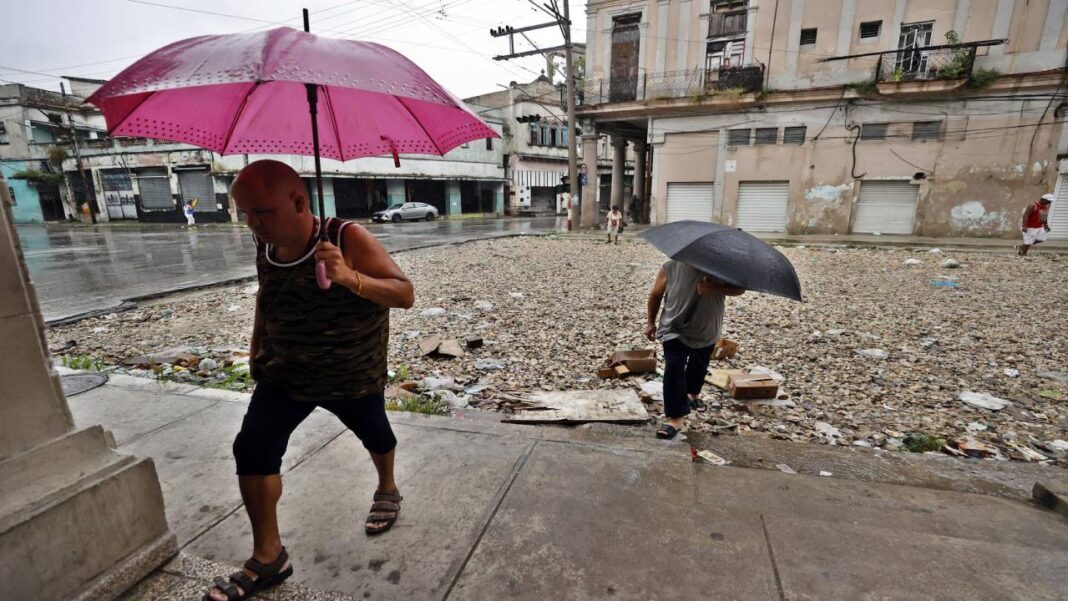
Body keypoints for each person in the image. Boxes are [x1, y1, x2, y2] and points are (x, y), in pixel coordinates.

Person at [204, 160, 414, 601]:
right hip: (286, 373)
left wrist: (348, 276)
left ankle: (387, 487)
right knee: (252, 448)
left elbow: (404, 293)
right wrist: (256, 346)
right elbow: (267, 295)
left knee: (375, 434)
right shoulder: (266, 245)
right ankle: (269, 556)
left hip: (351, 372)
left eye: (262, 212)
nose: (253, 224)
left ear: (299, 202)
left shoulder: (347, 237)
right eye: (246, 213)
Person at [646, 260, 745, 439]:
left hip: (706, 330)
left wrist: (714, 289)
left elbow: (740, 289)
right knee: (674, 367)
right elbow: (656, 295)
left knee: (698, 366)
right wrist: (651, 322)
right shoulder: (669, 267)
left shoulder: (720, 268)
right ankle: (675, 417)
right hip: (674, 327)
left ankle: (693, 394)